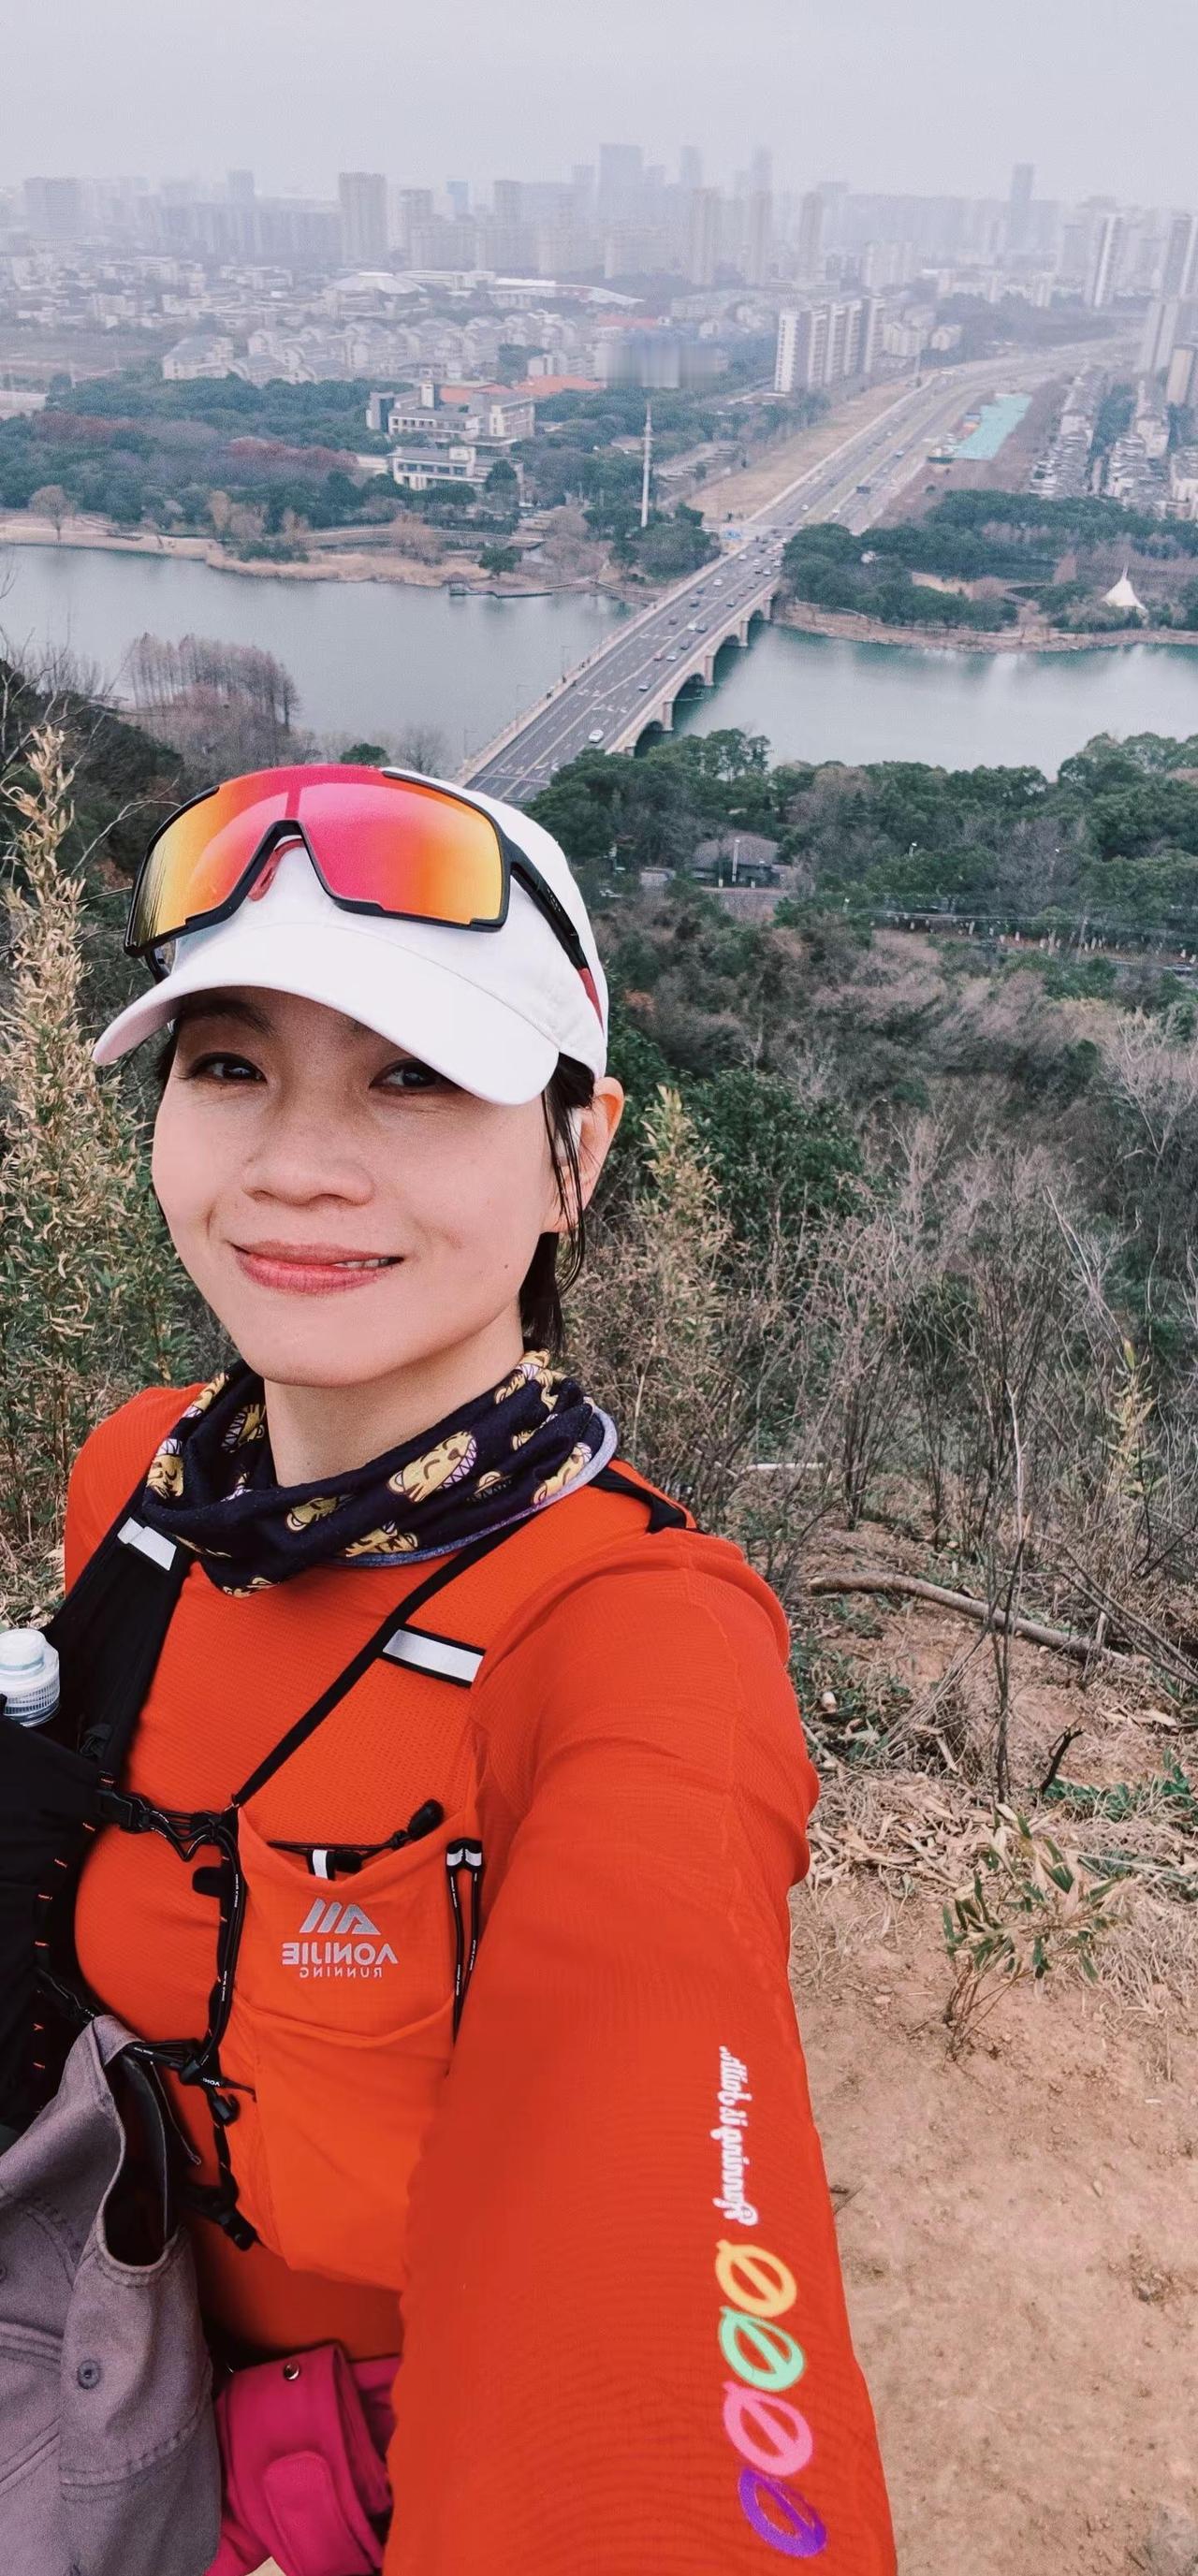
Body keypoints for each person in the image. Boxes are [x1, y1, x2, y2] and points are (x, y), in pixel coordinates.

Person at [65, 764, 894, 2571]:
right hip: (95, 2385)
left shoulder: (634, 1638)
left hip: (382, 2490)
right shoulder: (136, 1487)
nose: (296, 1160)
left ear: (576, 1153)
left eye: (415, 1076)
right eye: (230, 1063)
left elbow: (654, 2071)